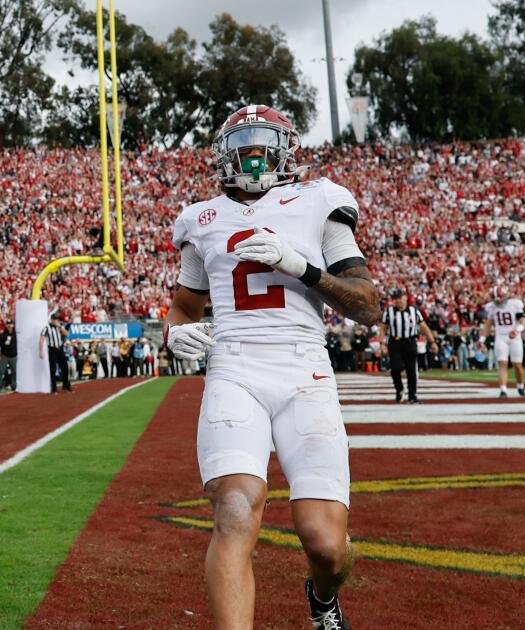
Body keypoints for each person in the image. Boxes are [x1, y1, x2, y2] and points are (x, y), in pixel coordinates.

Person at [163, 105, 381, 630]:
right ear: (224, 154)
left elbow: (367, 306)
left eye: (263, 143)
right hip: (234, 368)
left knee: (326, 544)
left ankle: (323, 597)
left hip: (305, 370)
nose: (253, 153)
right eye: (243, 144)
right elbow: (184, 307)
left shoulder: (318, 202)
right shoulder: (202, 219)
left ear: (285, 150)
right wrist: (174, 333)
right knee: (235, 509)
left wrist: (300, 266)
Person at [379, 288, 437, 404]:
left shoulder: (414, 311)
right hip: (395, 342)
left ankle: (412, 396)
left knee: (411, 370)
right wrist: (382, 343)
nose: (398, 300)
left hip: (410, 342)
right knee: (395, 368)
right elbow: (383, 328)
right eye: (395, 298)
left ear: (405, 297)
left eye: (400, 297)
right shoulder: (389, 312)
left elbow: (423, 327)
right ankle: (399, 389)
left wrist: (432, 342)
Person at [482, 286, 525, 398]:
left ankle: (520, 385)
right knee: (502, 363)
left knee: (517, 365)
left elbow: (523, 320)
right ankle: (503, 390)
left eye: (500, 298)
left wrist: (517, 330)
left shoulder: (514, 304)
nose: (498, 301)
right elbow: (488, 325)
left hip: (515, 337)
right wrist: (481, 339)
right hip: (500, 337)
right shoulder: (492, 307)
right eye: (496, 299)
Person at [39, 312, 71, 393]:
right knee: (52, 369)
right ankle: (54, 388)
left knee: (65, 368)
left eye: (57, 319)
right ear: (51, 320)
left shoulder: (60, 326)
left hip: (60, 349)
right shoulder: (47, 328)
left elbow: (67, 334)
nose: (56, 321)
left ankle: (65, 386)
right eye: (55, 319)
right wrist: (41, 351)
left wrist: (60, 327)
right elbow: (42, 339)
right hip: (52, 349)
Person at [0, 321, 16, 391]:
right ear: (6, 325)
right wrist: (3, 343)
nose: (9, 326)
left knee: (14, 371)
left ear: (13, 325)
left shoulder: (16, 334)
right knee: (1, 371)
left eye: (10, 324)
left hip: (13, 356)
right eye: (8, 324)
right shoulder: (3, 335)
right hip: (4, 355)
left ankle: (14, 385)